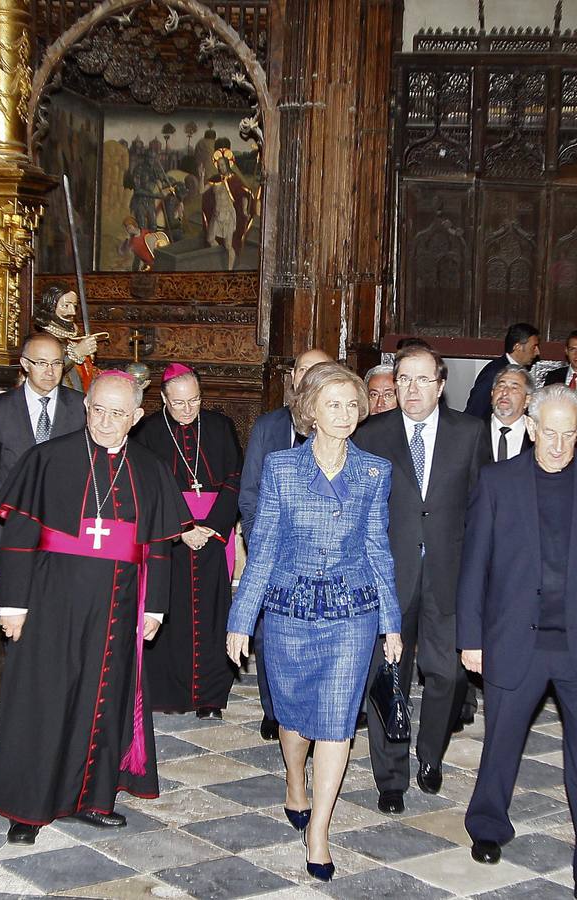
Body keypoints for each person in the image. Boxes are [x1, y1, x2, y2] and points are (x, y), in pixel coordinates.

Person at [0, 372, 193, 844]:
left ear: (137, 417)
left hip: (120, 605)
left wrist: (155, 607)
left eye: (118, 413)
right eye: (98, 409)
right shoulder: (47, 458)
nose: (106, 421)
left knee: (105, 698)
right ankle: (29, 806)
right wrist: (12, 604)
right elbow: (18, 537)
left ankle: (93, 799)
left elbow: (159, 546)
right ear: (86, 408)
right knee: (47, 697)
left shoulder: (149, 467)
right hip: (49, 602)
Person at [225, 362, 403, 883]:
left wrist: (391, 623)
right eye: (333, 405)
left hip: (352, 614)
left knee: (337, 723)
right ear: (311, 412)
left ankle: (319, 831)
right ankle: (294, 780)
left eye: (352, 405)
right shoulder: (282, 467)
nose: (345, 414)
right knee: (294, 721)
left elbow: (378, 550)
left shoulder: (374, 471)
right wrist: (242, 617)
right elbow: (263, 552)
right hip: (289, 611)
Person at [459, 385, 577, 900]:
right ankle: (488, 827)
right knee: (501, 744)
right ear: (531, 429)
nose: (557, 445)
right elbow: (475, 567)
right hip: (515, 640)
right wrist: (471, 636)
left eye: (568, 434)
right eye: (548, 433)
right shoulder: (497, 481)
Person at [353, 346, 485, 813]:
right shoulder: (372, 436)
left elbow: (479, 510)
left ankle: (431, 753)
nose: (411, 389)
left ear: (440, 384)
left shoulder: (470, 434)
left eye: (421, 380)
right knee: (388, 676)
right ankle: (391, 777)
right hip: (389, 577)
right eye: (403, 379)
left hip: (449, 576)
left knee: (446, 675)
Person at [134, 364, 242, 718]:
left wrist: (212, 526)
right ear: (164, 398)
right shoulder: (148, 431)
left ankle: (211, 696)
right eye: (178, 403)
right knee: (171, 610)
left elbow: (234, 478)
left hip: (214, 534)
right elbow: (148, 488)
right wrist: (182, 528)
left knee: (213, 613)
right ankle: (170, 693)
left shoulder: (219, 426)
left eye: (194, 401)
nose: (187, 410)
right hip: (170, 535)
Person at [239, 347, 332, 740]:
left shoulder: (340, 428)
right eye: (303, 370)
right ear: (293, 378)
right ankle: (274, 709)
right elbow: (250, 493)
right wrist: (263, 545)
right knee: (269, 634)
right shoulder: (268, 426)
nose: (309, 377)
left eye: (319, 371)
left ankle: (314, 709)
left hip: (324, 556)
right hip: (274, 553)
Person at [0, 333, 86, 561]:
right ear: (25, 364)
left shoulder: (81, 407)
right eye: (42, 363)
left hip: (65, 528)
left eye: (56, 363)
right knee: (14, 595)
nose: (50, 371)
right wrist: (14, 507)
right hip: (13, 525)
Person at [465, 322, 539, 421]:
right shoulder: (494, 372)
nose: (537, 352)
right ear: (517, 347)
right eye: (534, 347)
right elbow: (475, 410)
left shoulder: (521, 373)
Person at [483, 364, 534, 464]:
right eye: (501, 386)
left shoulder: (537, 435)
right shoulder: (474, 432)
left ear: (527, 400)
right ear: (492, 394)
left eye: (514, 388)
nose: (505, 392)